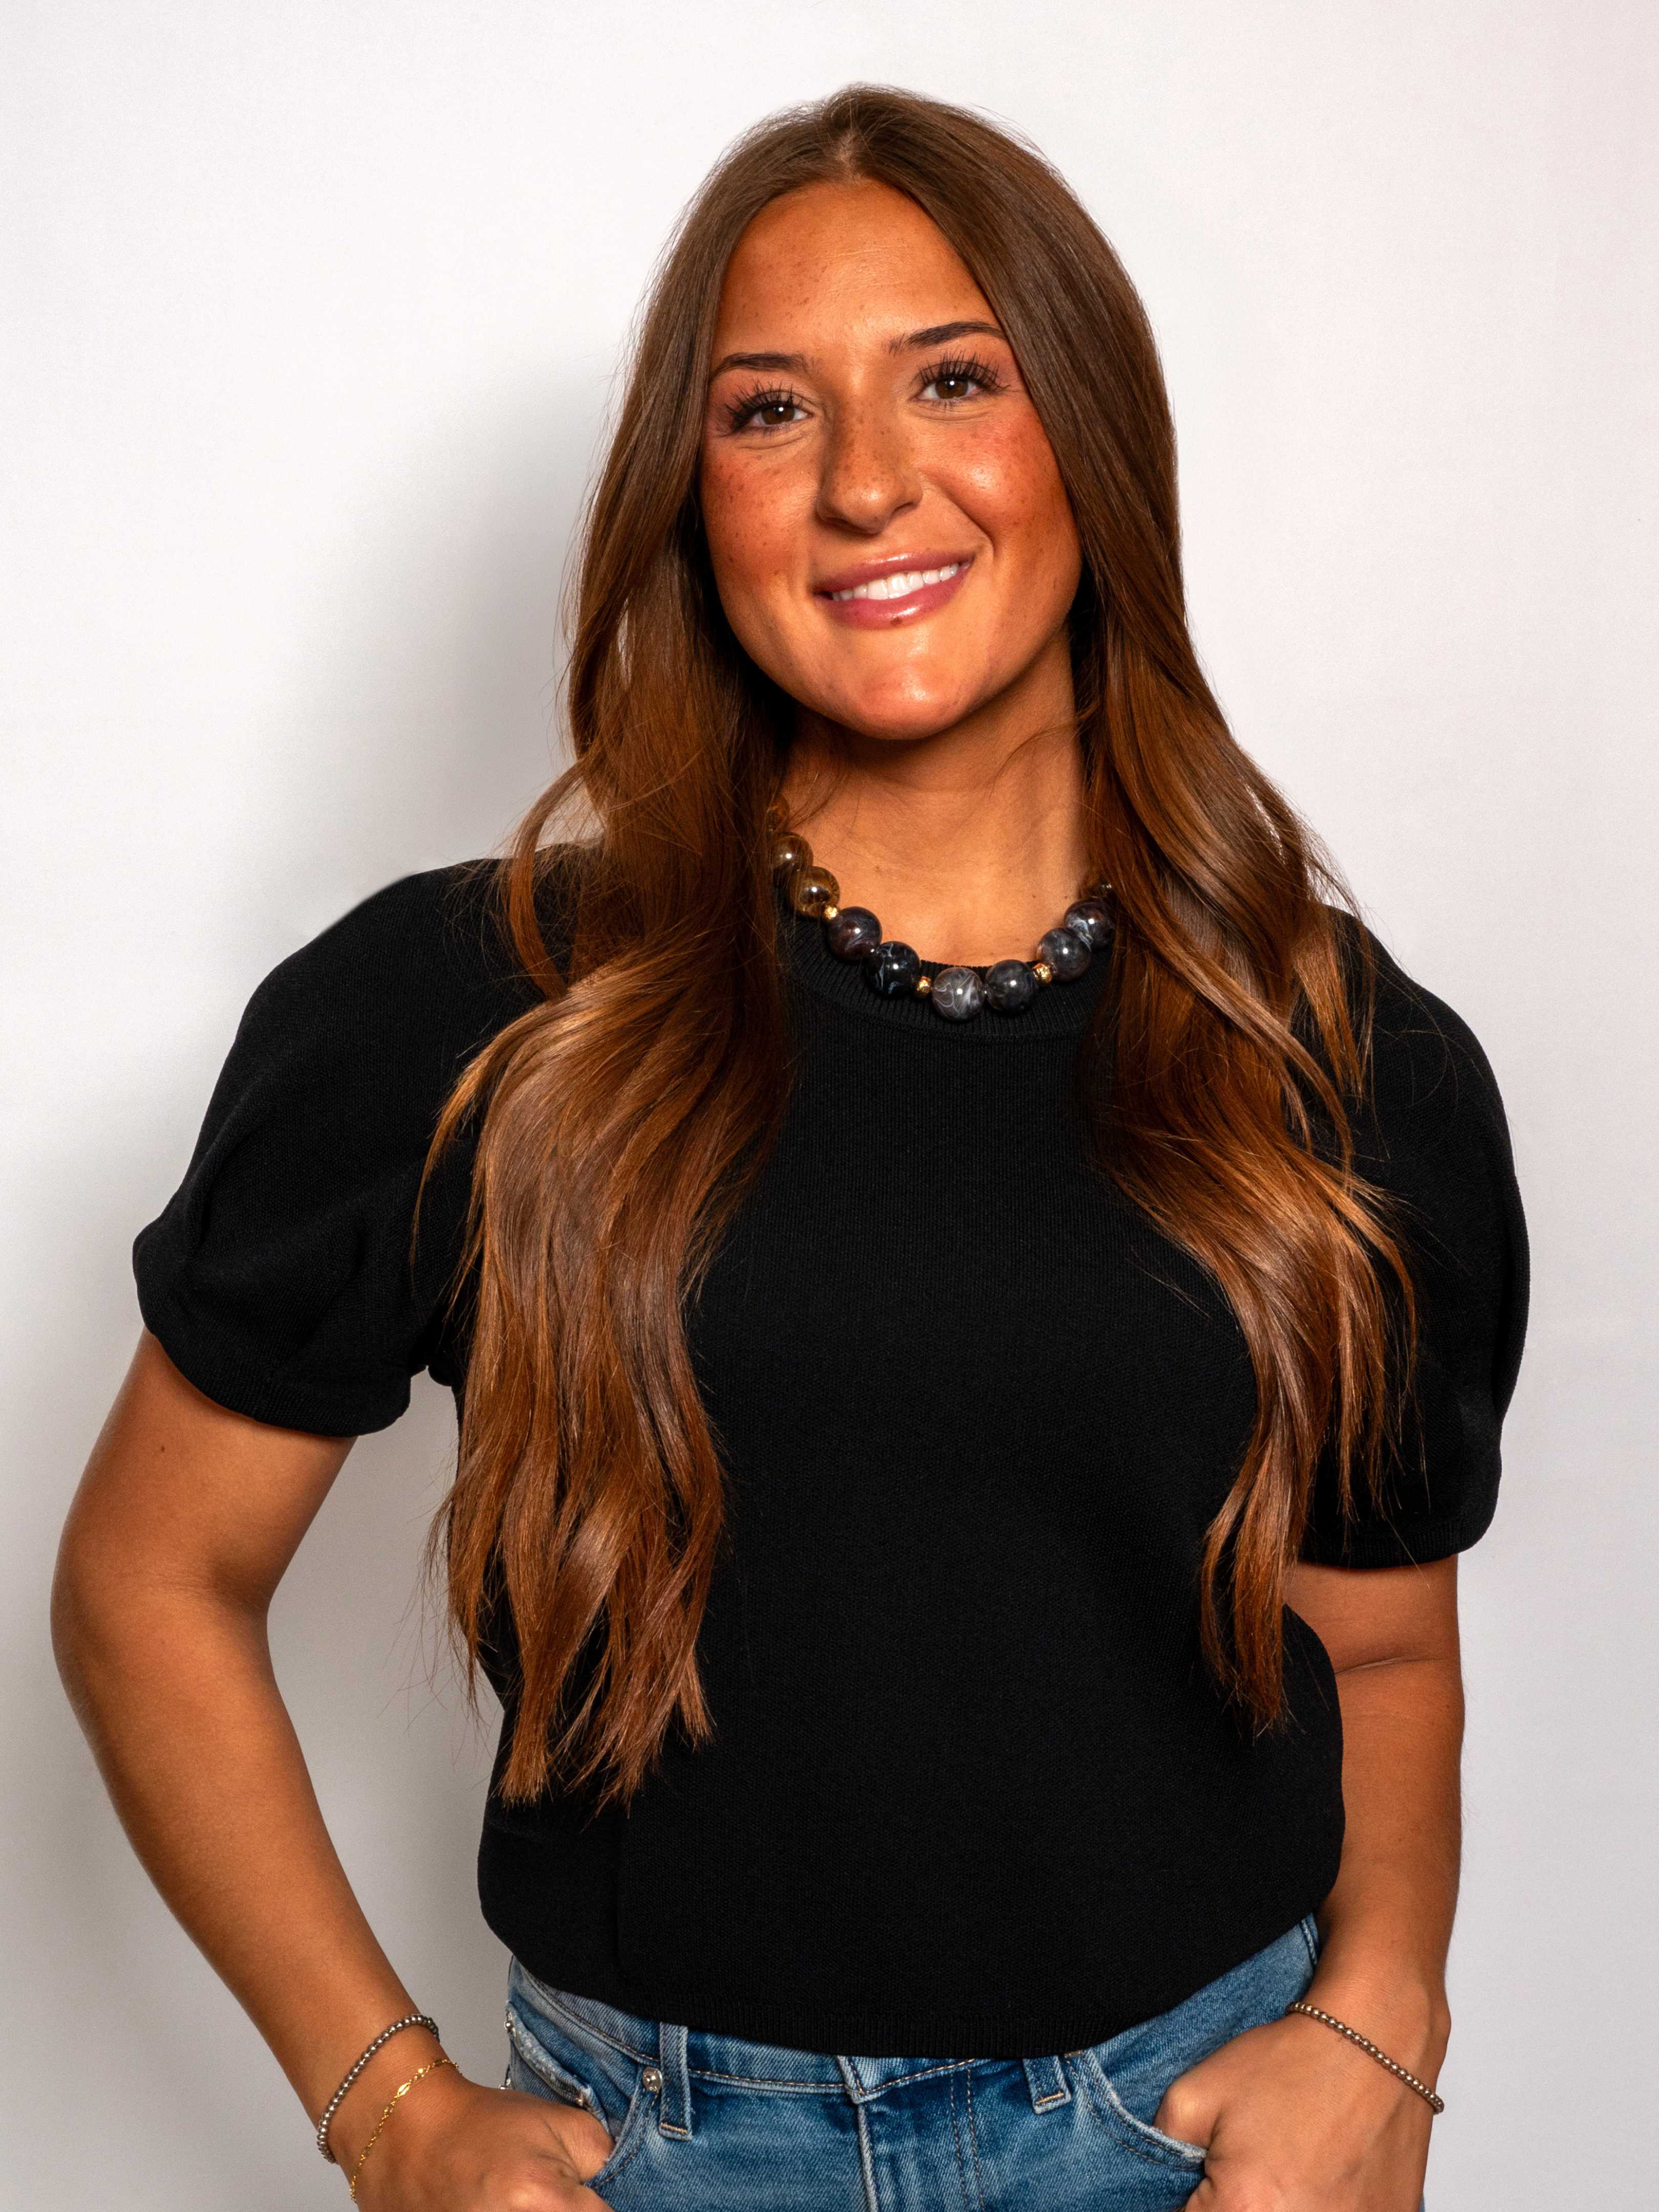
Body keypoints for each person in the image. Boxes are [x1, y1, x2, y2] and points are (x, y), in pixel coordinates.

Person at [52, 83, 1527, 2212]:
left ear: (1093, 439)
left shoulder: (1344, 1063)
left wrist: (1382, 2029)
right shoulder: (467, 1017)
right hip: (652, 2155)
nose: (864, 481)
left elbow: (1381, 1648)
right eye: (767, 412)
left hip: (1194, 2145)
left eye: (955, 379)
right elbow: (149, 1581)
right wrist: (388, 2107)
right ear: (694, 497)